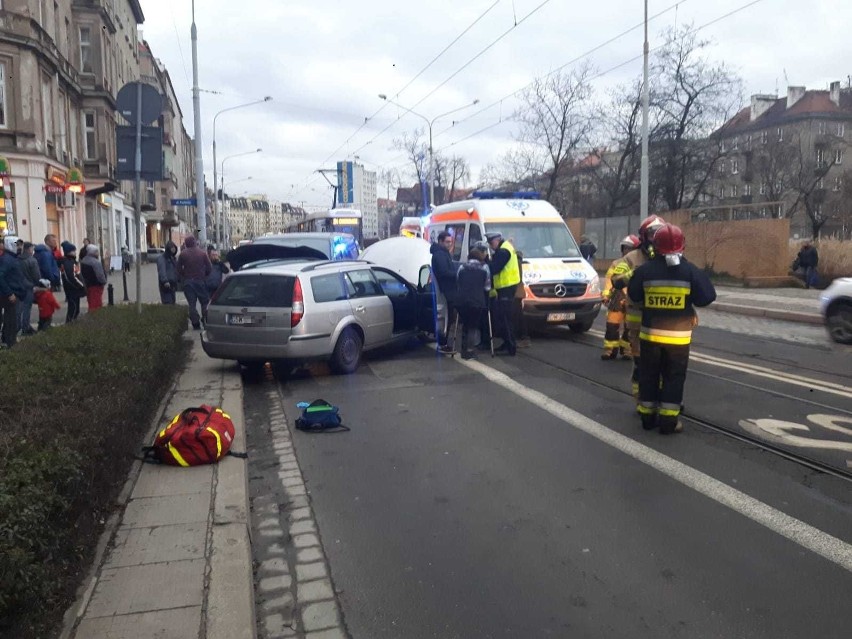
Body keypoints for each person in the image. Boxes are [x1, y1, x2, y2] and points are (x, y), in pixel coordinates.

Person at [628, 224, 716, 434]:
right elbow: (707, 297)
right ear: (681, 246)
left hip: (650, 336)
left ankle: (647, 417)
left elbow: (634, 295)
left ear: (655, 246)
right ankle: (668, 422)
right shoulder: (689, 271)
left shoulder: (645, 270)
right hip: (678, 339)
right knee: (673, 377)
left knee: (649, 374)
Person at [610, 215, 667, 400]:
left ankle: (660, 396)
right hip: (638, 322)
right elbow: (616, 280)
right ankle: (641, 397)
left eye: (659, 233)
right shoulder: (631, 258)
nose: (656, 238)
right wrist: (636, 273)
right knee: (641, 363)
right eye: (652, 234)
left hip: (663, 322)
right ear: (644, 236)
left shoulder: (669, 257)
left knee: (663, 365)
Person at [601, 235, 641, 360]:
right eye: (625, 248)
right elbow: (609, 280)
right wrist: (606, 294)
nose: (626, 251)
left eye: (629, 249)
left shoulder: (639, 264)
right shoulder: (616, 264)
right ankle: (610, 350)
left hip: (632, 299)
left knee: (630, 328)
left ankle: (627, 350)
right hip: (617, 298)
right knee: (612, 325)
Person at [485, 231, 520, 356]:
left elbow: (494, 268)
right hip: (506, 288)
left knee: (506, 319)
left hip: (507, 288)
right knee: (504, 318)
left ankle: (510, 346)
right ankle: (507, 343)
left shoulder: (503, 251)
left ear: (498, 239)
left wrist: (486, 262)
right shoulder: (504, 248)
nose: (490, 245)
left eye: (491, 242)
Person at [455, 244, 491, 360]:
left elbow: (458, 282)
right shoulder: (484, 268)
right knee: (473, 326)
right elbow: (487, 287)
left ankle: (463, 349)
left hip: (462, 300)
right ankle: (470, 350)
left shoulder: (462, 267)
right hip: (477, 301)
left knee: (465, 324)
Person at [430, 231, 458, 353]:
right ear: (440, 241)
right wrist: (458, 274)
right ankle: (443, 343)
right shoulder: (440, 255)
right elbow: (444, 273)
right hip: (446, 291)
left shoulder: (442, 253)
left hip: (447, 290)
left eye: (450, 242)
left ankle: (443, 342)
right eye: (447, 242)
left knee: (447, 318)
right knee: (446, 318)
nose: (449, 244)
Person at [177, 236, 212, 329]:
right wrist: (204, 275)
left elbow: (178, 269)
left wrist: (185, 275)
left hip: (188, 282)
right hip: (200, 281)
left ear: (186, 243)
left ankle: (195, 323)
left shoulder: (183, 254)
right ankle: (205, 321)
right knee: (204, 302)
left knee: (192, 304)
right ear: (195, 243)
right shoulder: (202, 253)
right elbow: (209, 268)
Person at [0, 237, 28, 347]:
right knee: (11, 320)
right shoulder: (8, 259)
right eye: (17, 245)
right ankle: (10, 342)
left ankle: (8, 340)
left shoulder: (11, 258)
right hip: (7, 295)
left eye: (20, 245)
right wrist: (9, 293)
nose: (19, 248)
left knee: (10, 319)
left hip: (10, 293)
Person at [17, 242, 41, 335]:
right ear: (28, 249)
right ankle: (25, 327)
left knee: (19, 308)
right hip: (28, 287)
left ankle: (18, 326)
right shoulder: (32, 260)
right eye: (32, 249)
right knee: (27, 308)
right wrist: (38, 284)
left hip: (19, 287)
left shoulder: (17, 259)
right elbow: (36, 275)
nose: (32, 251)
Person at [60, 242, 86, 323]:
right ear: (69, 252)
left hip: (74, 289)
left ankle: (71, 324)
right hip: (73, 289)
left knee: (75, 309)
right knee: (73, 309)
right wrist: (81, 285)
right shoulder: (68, 262)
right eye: (73, 251)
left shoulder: (72, 261)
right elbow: (71, 277)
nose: (75, 252)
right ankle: (70, 325)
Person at [80, 244, 107, 312]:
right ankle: (95, 318)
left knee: (91, 302)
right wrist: (104, 281)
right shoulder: (95, 262)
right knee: (96, 304)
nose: (98, 253)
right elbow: (100, 275)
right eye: (97, 251)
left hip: (88, 285)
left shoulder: (83, 261)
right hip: (96, 285)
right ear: (94, 252)